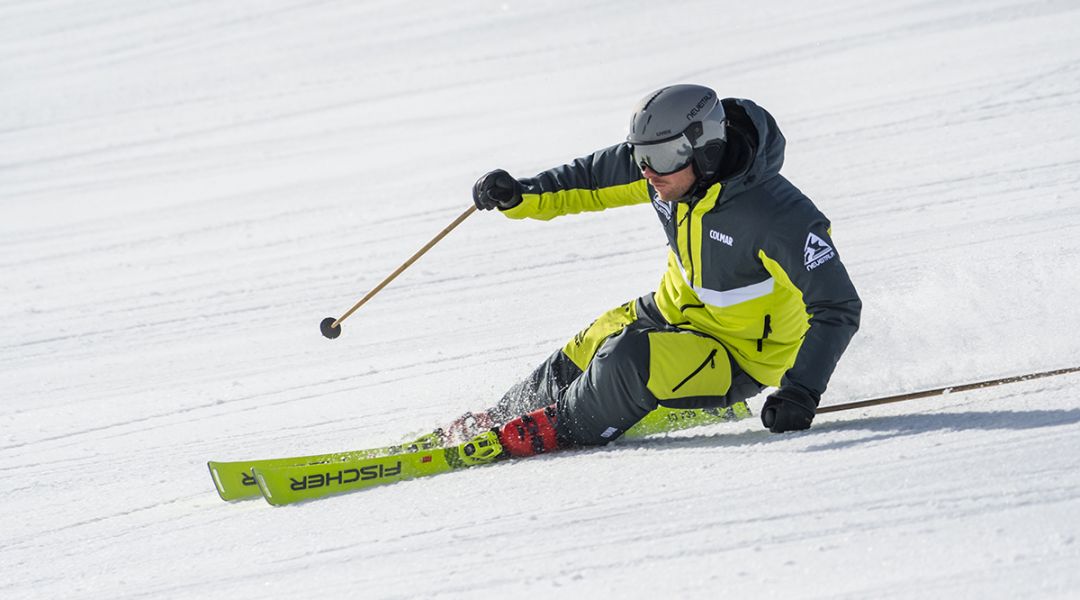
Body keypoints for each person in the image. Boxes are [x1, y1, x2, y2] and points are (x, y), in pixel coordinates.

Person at [451, 84, 861, 459]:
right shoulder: (669, 173)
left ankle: (553, 430)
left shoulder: (778, 218)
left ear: (706, 148)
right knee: (594, 341)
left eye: (660, 157)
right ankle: (501, 418)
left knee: (626, 359)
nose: (647, 171)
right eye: (641, 155)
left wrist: (799, 391)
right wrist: (519, 195)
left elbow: (837, 305)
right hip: (671, 310)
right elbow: (590, 178)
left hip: (738, 355)